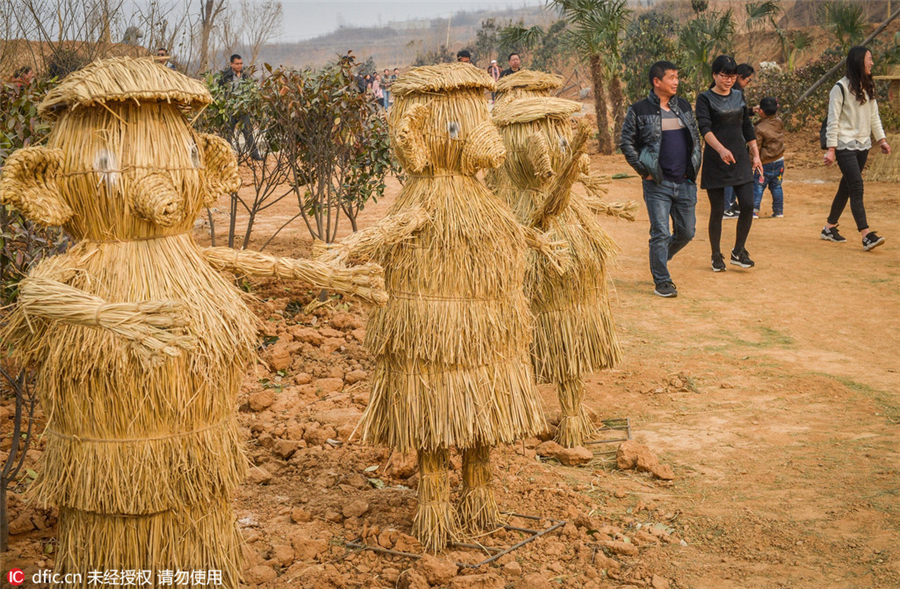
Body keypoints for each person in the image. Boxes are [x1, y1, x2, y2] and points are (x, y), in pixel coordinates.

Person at [621, 61, 702, 298]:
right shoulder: (639, 110)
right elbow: (626, 143)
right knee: (660, 233)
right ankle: (662, 281)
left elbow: (695, 138)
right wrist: (644, 170)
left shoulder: (684, 106)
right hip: (657, 183)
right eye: (671, 77)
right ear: (657, 82)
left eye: (677, 77)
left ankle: (660, 258)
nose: (676, 82)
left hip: (685, 181)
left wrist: (694, 167)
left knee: (687, 232)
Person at [696, 55, 762, 272]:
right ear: (714, 75)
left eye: (732, 76)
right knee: (717, 209)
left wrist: (755, 153)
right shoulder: (705, 98)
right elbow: (705, 129)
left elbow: (747, 126)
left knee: (747, 204)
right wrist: (721, 149)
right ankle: (716, 254)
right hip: (716, 158)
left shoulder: (738, 95)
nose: (729, 80)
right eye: (724, 75)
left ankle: (738, 250)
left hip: (740, 158)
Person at [822, 45, 891, 251]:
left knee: (847, 186)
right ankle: (866, 234)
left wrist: (882, 140)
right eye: (869, 59)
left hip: (863, 145)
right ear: (859, 61)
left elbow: (873, 117)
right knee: (857, 186)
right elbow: (833, 121)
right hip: (844, 144)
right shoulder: (839, 88)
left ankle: (829, 227)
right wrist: (831, 149)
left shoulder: (868, 86)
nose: (872, 62)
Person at [722, 63, 756, 218]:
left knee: (736, 170)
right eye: (748, 80)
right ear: (740, 77)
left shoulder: (735, 90)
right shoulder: (734, 91)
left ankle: (732, 202)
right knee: (732, 170)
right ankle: (726, 205)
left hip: (734, 135)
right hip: (731, 137)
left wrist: (750, 111)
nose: (748, 84)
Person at [219, 54, 262, 160]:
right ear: (231, 64)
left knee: (248, 132)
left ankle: (255, 155)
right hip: (231, 108)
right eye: (237, 64)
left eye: (241, 63)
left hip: (243, 107)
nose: (239, 66)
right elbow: (219, 89)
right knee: (228, 133)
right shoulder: (225, 76)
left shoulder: (245, 75)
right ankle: (226, 157)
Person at [752, 97, 785, 218]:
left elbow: (756, 146)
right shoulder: (779, 122)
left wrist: (752, 161)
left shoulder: (759, 128)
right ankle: (778, 211)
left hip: (764, 162)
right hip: (779, 160)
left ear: (760, 111)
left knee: (758, 186)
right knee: (777, 186)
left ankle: (754, 211)